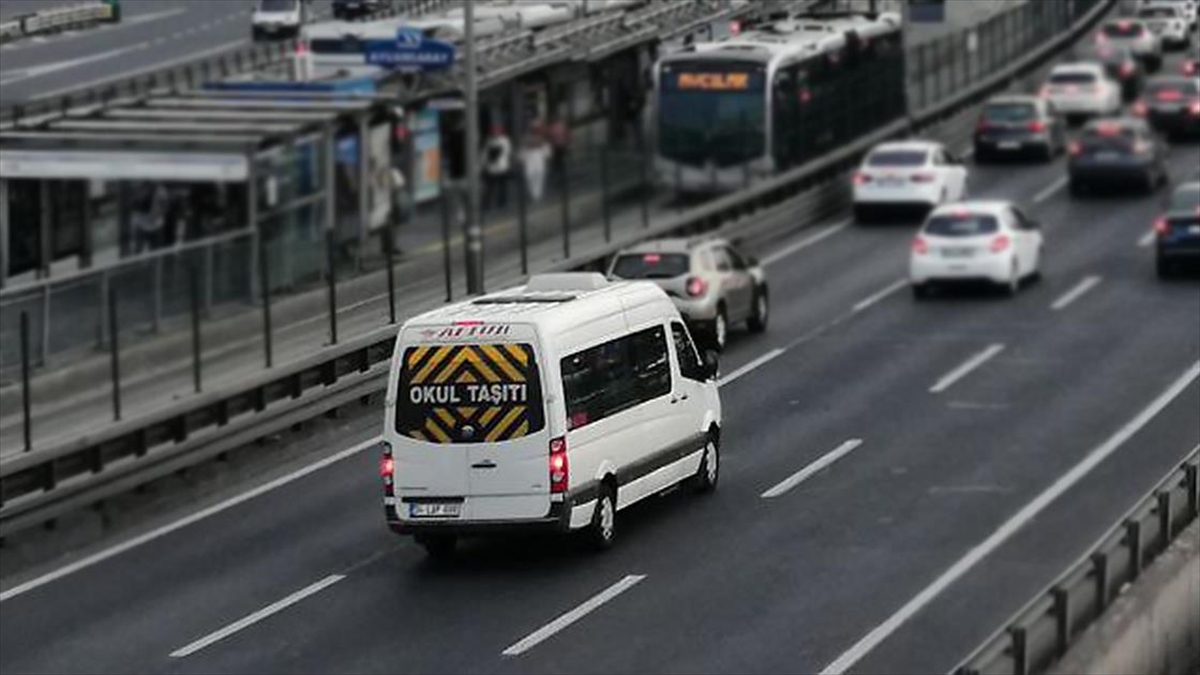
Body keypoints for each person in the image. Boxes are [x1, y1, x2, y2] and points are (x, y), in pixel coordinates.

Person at [482, 124, 512, 212]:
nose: (495, 133)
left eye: (497, 131)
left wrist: (487, 160)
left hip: (501, 167)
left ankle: (501, 202)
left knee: (502, 187)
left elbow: (505, 152)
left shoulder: (504, 141)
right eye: (494, 132)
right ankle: (487, 204)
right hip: (492, 168)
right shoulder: (489, 141)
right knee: (490, 187)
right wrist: (484, 163)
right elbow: (485, 153)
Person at [520, 122, 552, 203]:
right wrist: (522, 158)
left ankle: (536, 195)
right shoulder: (526, 138)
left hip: (538, 157)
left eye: (536, 129)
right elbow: (523, 150)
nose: (535, 130)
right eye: (533, 128)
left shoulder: (541, 139)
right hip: (531, 158)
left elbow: (547, 152)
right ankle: (534, 194)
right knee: (530, 176)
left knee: (539, 177)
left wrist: (546, 154)